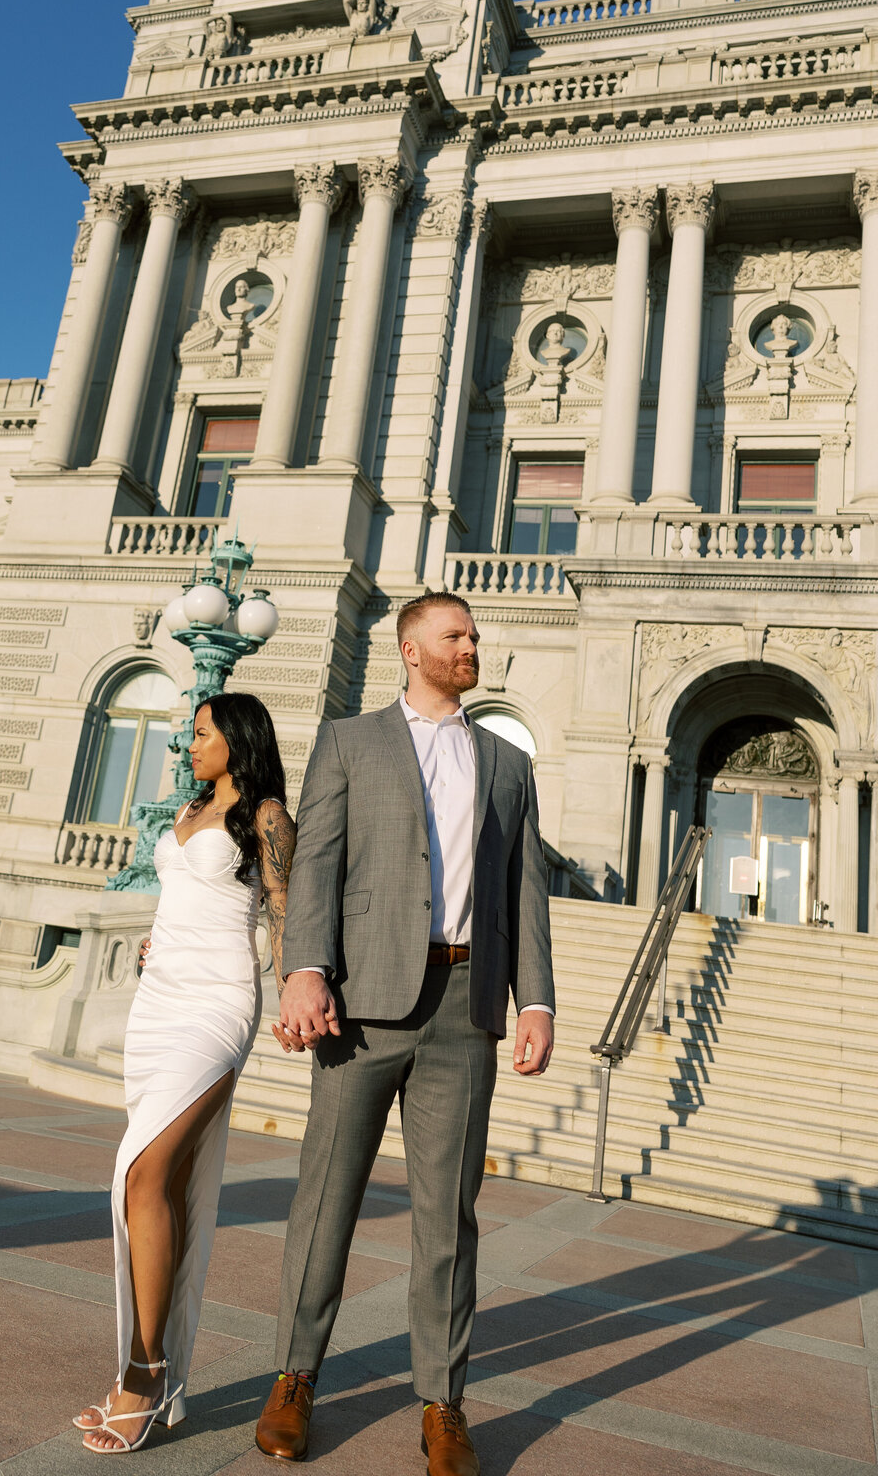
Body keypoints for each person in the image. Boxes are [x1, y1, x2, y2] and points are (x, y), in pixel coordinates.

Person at [254, 593, 555, 1476]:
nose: (472, 647)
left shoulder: (507, 762)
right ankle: (295, 1378)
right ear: (413, 648)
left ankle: (443, 1404)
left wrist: (533, 1001)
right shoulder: (351, 741)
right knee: (326, 1200)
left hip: (466, 1008)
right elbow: (316, 866)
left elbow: (524, 890)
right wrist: (303, 967)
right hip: (362, 1006)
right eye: (456, 636)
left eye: (473, 637)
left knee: (449, 1219)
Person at [77, 692, 294, 1454]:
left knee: (140, 1174)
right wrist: (153, 945)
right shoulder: (191, 804)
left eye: (200, 732)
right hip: (158, 1002)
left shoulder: (264, 815)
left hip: (216, 1007)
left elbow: (280, 908)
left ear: (235, 738)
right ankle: (141, 1373)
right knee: (156, 1188)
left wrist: (295, 985)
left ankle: (147, 1371)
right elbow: (181, 895)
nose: (188, 741)